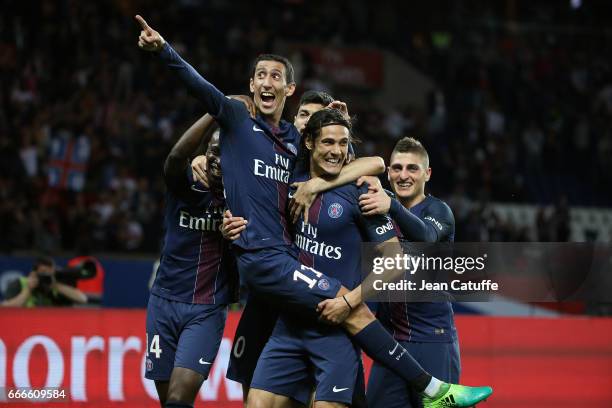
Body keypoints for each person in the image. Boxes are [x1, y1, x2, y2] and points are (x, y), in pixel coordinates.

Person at [135, 16, 492, 408]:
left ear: (289, 88)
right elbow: (201, 88)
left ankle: (431, 390)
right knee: (348, 306)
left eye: (276, 76)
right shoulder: (238, 122)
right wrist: (164, 50)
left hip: (284, 268)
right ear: (252, 86)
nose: (267, 82)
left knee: (327, 328)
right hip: (262, 258)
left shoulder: (293, 142)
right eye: (260, 76)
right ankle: (433, 390)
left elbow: (362, 160)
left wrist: (329, 139)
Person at [248, 108, 398, 408]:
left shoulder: (360, 191)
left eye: (343, 144)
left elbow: (396, 261)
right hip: (289, 326)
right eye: (328, 142)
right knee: (255, 403)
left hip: (336, 330)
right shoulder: (292, 179)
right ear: (310, 144)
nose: (336, 151)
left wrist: (349, 301)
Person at [144, 113, 239, 408]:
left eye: (227, 154)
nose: (218, 159)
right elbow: (174, 157)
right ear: (204, 153)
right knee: (169, 402)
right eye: (213, 151)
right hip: (163, 303)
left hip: (206, 309)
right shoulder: (184, 185)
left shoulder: (240, 196)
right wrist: (214, 111)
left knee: (178, 398)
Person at [358, 137, 460, 408]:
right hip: (392, 343)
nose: (403, 176)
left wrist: (391, 205)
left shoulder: (439, 211)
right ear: (388, 172)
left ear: (427, 174)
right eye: (396, 168)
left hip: (433, 339)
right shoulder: (378, 211)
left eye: (412, 169)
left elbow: (425, 236)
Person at [1, 256, 87, 307]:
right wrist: (28, 289)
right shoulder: (19, 283)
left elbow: (82, 299)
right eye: (43, 272)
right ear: (34, 272)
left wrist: (56, 286)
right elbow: (6, 309)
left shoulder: (56, 284)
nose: (47, 276)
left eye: (50, 272)